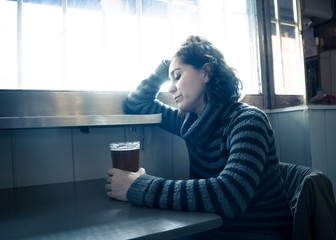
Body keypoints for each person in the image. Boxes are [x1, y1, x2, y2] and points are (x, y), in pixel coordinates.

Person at [105, 36, 293, 240]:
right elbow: (136, 102)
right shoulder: (189, 122)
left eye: (177, 77)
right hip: (212, 229)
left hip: (257, 233)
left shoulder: (248, 120)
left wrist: (138, 186)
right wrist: (168, 66)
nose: (170, 87)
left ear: (206, 72)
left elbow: (230, 196)